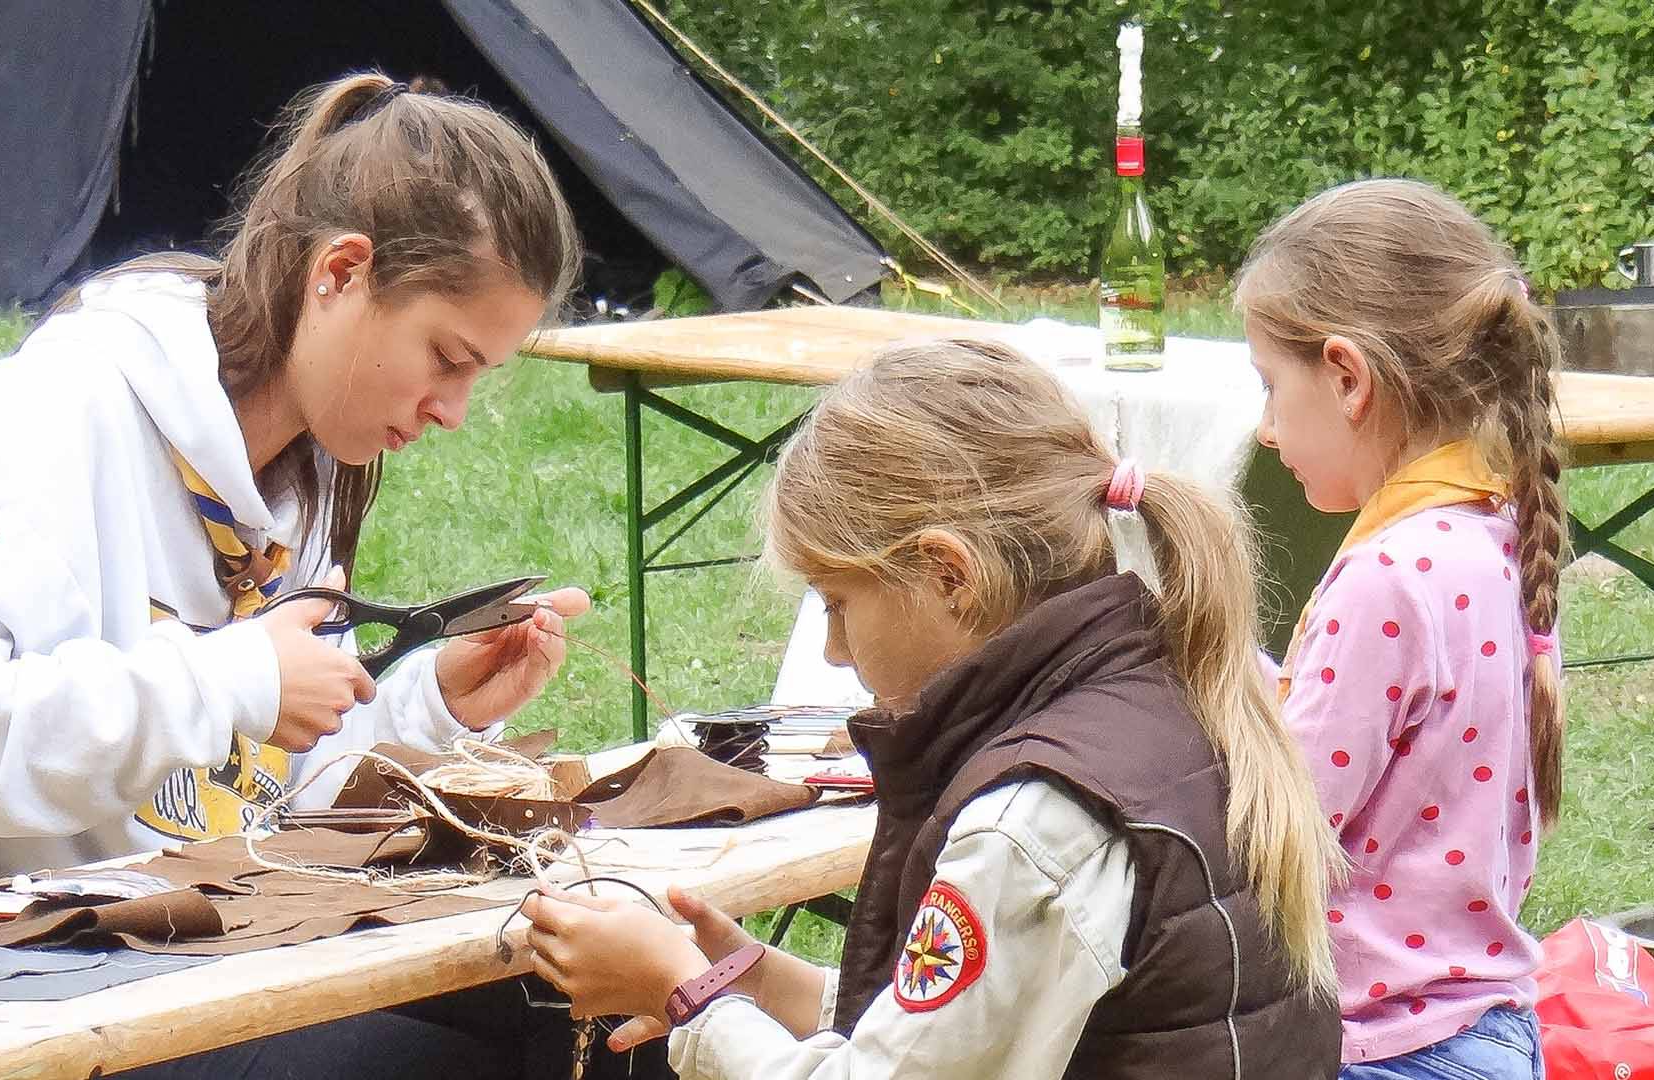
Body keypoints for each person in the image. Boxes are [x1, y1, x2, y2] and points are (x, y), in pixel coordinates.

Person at [0, 72, 609, 1078]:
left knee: (594, 1011)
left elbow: (251, 809)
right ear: (341, 272)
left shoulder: (299, 482)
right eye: (446, 356)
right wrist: (228, 680)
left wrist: (422, 708)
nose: (454, 410)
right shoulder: (42, 421)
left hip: (165, 964)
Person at [520, 339, 1345, 1079]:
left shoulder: (1035, 820)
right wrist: (760, 981)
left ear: (949, 575)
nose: (836, 650)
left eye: (837, 603)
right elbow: (971, 1028)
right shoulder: (1168, 695)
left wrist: (682, 992)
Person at [1236, 178, 1563, 1078]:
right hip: (1484, 1031)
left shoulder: (1388, 578)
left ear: (1347, 376)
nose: (1265, 429)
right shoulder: (1494, 536)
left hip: (1386, 1050)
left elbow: (1285, 832)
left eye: (1271, 386)